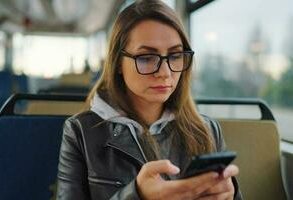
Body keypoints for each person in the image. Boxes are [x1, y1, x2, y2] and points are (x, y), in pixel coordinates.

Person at [57, 0, 242, 199]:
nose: (164, 72)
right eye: (146, 58)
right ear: (118, 63)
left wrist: (229, 196)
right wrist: (136, 196)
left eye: (175, 56)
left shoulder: (207, 130)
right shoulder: (80, 132)